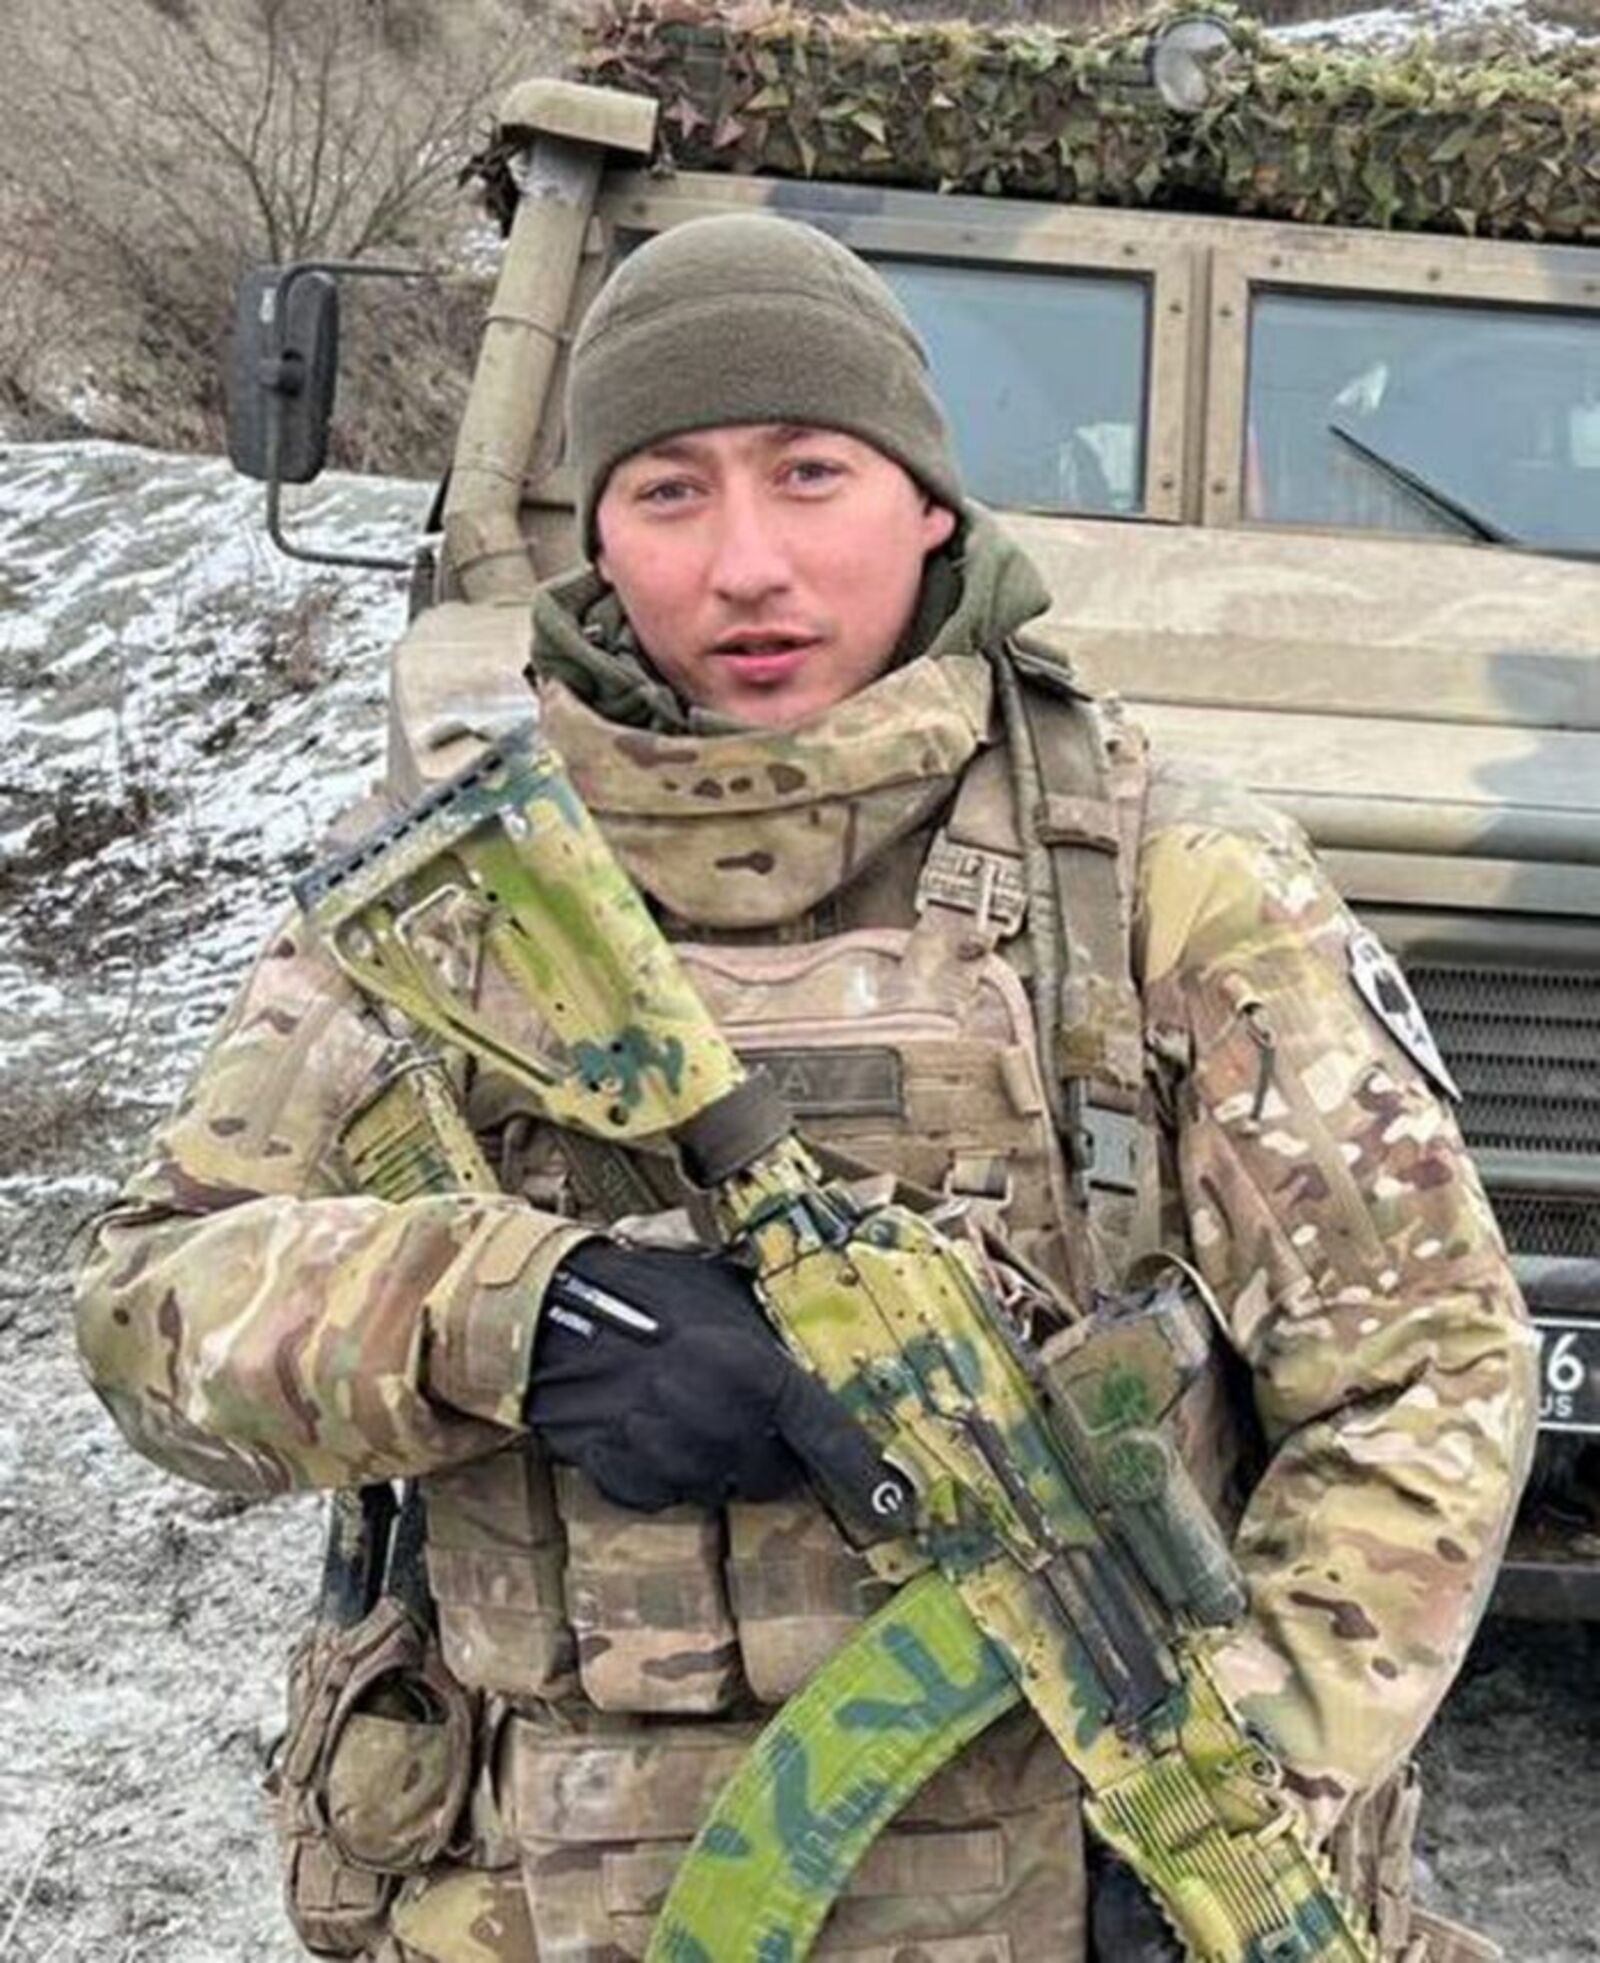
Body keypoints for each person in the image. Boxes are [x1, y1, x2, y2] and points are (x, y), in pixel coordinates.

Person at [75, 214, 1536, 1963]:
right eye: (669, 491)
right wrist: (515, 1316)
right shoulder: (457, 897)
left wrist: (1239, 1798)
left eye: (810, 472)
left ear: (928, 503)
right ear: (597, 532)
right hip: (538, 1899)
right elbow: (147, 1313)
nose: (746, 564)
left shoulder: (1160, 879)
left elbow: (1432, 1371)